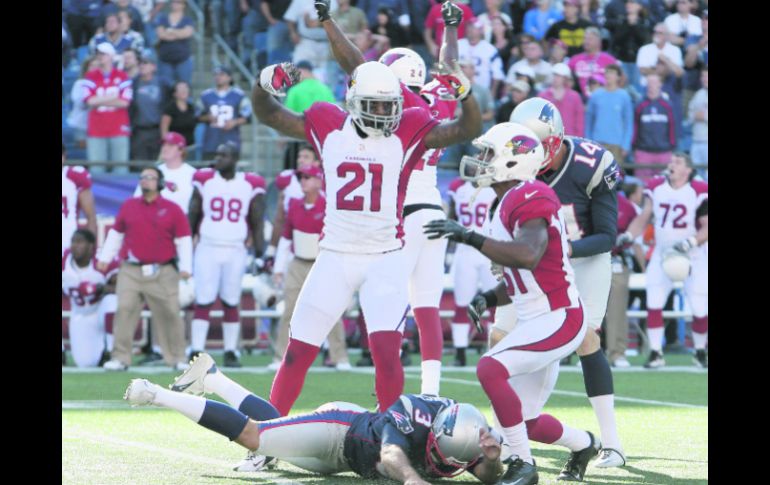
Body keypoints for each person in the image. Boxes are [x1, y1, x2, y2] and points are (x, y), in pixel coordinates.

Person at [253, 55, 481, 417]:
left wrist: (466, 96)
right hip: (335, 254)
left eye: (389, 105)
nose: (382, 113)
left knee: (388, 354)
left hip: (385, 257)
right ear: (353, 101)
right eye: (373, 105)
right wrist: (263, 85)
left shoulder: (408, 128)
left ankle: (391, 436)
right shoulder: (329, 124)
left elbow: (464, 130)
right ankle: (264, 434)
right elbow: (270, 115)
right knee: (297, 352)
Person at [423, 122, 602, 485]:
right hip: (541, 317)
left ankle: (523, 464)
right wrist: (490, 297)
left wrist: (468, 236)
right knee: (523, 420)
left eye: (489, 153)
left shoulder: (529, 194)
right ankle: (585, 444)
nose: (481, 160)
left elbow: (528, 255)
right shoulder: (508, 200)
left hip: (557, 317)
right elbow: (524, 275)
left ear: (513, 159)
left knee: (490, 369)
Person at [316, 0, 467, 397]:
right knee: (428, 305)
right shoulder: (439, 100)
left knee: (389, 302)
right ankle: (432, 393)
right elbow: (449, 66)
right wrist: (450, 28)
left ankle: (391, 388)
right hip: (435, 208)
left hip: (402, 212)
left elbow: (356, 64)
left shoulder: (401, 104)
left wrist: (328, 22)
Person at [125, 352, 507, 483]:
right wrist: (411, 478)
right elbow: (392, 455)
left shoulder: (464, 434)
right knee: (255, 437)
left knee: (275, 441)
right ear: (434, 435)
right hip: (338, 431)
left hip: (343, 463)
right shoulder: (414, 416)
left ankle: (212, 377)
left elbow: (485, 476)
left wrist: (492, 461)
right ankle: (157, 394)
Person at [509, 97, 625, 468]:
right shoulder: (516, 165)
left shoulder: (591, 165)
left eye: (538, 146)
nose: (530, 154)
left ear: (556, 141)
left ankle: (612, 444)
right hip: (541, 261)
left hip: (585, 258)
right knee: (503, 335)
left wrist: (564, 248)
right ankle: (514, 429)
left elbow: (608, 237)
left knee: (587, 338)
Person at [99, 166, 193, 371]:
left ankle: (178, 357)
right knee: (124, 309)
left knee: (170, 312)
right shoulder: (129, 206)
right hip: (131, 269)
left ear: (160, 183)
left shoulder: (172, 208)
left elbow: (184, 240)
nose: (145, 180)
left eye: (150, 177)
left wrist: (186, 267)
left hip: (163, 269)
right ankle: (120, 357)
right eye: (142, 177)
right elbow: (116, 233)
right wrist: (105, 258)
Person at [618, 152, 708, 368]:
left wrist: (692, 242)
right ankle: (656, 352)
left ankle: (700, 351)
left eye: (677, 162)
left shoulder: (698, 190)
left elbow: (706, 225)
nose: (671, 165)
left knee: (699, 306)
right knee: (654, 301)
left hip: (692, 252)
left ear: (688, 170)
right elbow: (645, 215)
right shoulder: (657, 186)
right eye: (671, 161)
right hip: (663, 250)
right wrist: (630, 234)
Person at [187, 143, 266, 367]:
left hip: (235, 248)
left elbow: (257, 219)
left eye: (223, 155)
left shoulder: (249, 183)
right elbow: (192, 212)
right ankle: (196, 349)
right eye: (217, 154)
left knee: (231, 300)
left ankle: (231, 351)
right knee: (204, 298)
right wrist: (185, 247)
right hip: (208, 246)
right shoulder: (204, 179)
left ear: (235, 159)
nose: (218, 158)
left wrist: (259, 254)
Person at [271, 165, 352, 373]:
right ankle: (280, 356)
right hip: (298, 263)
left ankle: (339, 356)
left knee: (331, 311)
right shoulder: (294, 205)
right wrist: (279, 268)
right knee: (289, 311)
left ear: (318, 181)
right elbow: (286, 237)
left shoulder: (328, 206)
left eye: (307, 177)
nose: (303, 181)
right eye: (301, 178)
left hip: (322, 263)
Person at [446, 177, 497, 366]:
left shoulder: (494, 186)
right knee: (461, 304)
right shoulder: (457, 186)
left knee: (495, 304)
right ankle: (460, 353)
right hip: (465, 250)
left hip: (489, 249)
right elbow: (451, 217)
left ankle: (495, 351)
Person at [63, 229, 119, 368]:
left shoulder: (102, 261)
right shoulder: (64, 262)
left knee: (112, 301)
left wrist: (102, 288)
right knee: (85, 363)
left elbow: (123, 287)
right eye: (73, 242)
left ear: (91, 246)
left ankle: (112, 351)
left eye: (80, 242)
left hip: (100, 310)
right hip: (80, 314)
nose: (75, 246)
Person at [84, 42, 133, 173]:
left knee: (121, 168)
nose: (100, 56)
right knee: (96, 169)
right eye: (99, 54)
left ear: (111, 56)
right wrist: (114, 97)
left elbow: (125, 102)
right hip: (96, 128)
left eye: (104, 54)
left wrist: (99, 101)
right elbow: (89, 101)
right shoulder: (90, 76)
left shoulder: (122, 76)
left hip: (118, 127)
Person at [198, 66, 252, 160]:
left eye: (222, 74)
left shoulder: (239, 95)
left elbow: (247, 116)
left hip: (231, 141)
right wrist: (208, 117)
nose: (218, 77)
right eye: (216, 75)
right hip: (211, 142)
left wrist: (234, 122)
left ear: (229, 77)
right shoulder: (206, 95)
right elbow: (197, 116)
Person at [133, 132, 197, 212]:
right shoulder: (152, 173)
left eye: (170, 145)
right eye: (164, 145)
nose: (165, 148)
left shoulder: (194, 174)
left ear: (181, 150)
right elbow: (137, 200)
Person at [585, 64, 633, 168]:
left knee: (614, 176)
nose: (608, 75)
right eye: (607, 72)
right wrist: (588, 141)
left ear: (618, 77)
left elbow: (628, 122)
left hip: (616, 145)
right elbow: (589, 122)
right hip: (597, 143)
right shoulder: (596, 95)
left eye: (612, 72)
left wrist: (625, 145)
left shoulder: (624, 96)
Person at [632, 73, 677, 180]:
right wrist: (635, 147)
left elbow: (672, 127)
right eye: (649, 83)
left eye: (654, 82)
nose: (651, 85)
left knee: (665, 184)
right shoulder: (639, 105)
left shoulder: (667, 105)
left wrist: (671, 147)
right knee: (642, 185)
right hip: (643, 152)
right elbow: (635, 127)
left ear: (660, 84)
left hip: (664, 152)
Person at [62, 144, 98, 256]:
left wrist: (91, 247)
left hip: (67, 239)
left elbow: (91, 217)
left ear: (63, 157)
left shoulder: (74, 176)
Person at [129, 51, 164, 161]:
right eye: (140, 63)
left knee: (157, 165)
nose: (142, 65)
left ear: (154, 66)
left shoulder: (163, 84)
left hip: (157, 130)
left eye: (145, 63)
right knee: (139, 163)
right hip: (139, 131)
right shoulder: (133, 84)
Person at [567, 26, 620, 99]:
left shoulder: (609, 60)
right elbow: (565, 78)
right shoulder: (575, 59)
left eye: (590, 39)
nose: (586, 41)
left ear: (599, 42)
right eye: (585, 38)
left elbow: (621, 79)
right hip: (581, 99)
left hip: (604, 97)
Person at [155, 0, 196, 88]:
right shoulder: (163, 18)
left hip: (183, 59)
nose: (175, 4)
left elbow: (187, 33)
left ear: (184, 5)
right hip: (165, 58)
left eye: (178, 2)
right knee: (165, 87)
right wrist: (179, 33)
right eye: (173, 2)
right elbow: (161, 34)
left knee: (185, 86)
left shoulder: (187, 19)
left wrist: (170, 31)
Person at [537, 62, 584, 137]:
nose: (555, 78)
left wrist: (577, 137)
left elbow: (579, 120)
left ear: (565, 78)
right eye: (554, 75)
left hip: (569, 138)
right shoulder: (543, 95)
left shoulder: (575, 96)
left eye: (559, 76)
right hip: (548, 137)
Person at [161, 81, 197, 148]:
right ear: (175, 93)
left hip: (189, 146)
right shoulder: (170, 109)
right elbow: (164, 129)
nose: (184, 90)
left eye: (185, 88)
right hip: (174, 147)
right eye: (181, 89)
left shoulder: (191, 108)